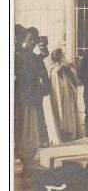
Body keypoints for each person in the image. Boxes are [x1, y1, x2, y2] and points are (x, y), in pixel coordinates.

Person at [14, 27, 51, 172]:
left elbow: (46, 82)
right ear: (23, 40)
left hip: (32, 102)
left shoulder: (36, 59)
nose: (31, 44)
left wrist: (38, 92)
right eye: (29, 40)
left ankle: (29, 162)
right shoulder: (15, 58)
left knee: (31, 133)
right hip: (18, 102)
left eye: (33, 41)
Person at [44, 47, 80, 143]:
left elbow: (73, 74)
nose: (58, 56)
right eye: (56, 54)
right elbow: (52, 74)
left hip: (67, 92)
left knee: (68, 111)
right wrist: (59, 68)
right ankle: (61, 133)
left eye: (59, 54)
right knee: (58, 112)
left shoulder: (65, 63)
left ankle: (69, 131)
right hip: (56, 93)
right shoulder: (50, 64)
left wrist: (69, 67)